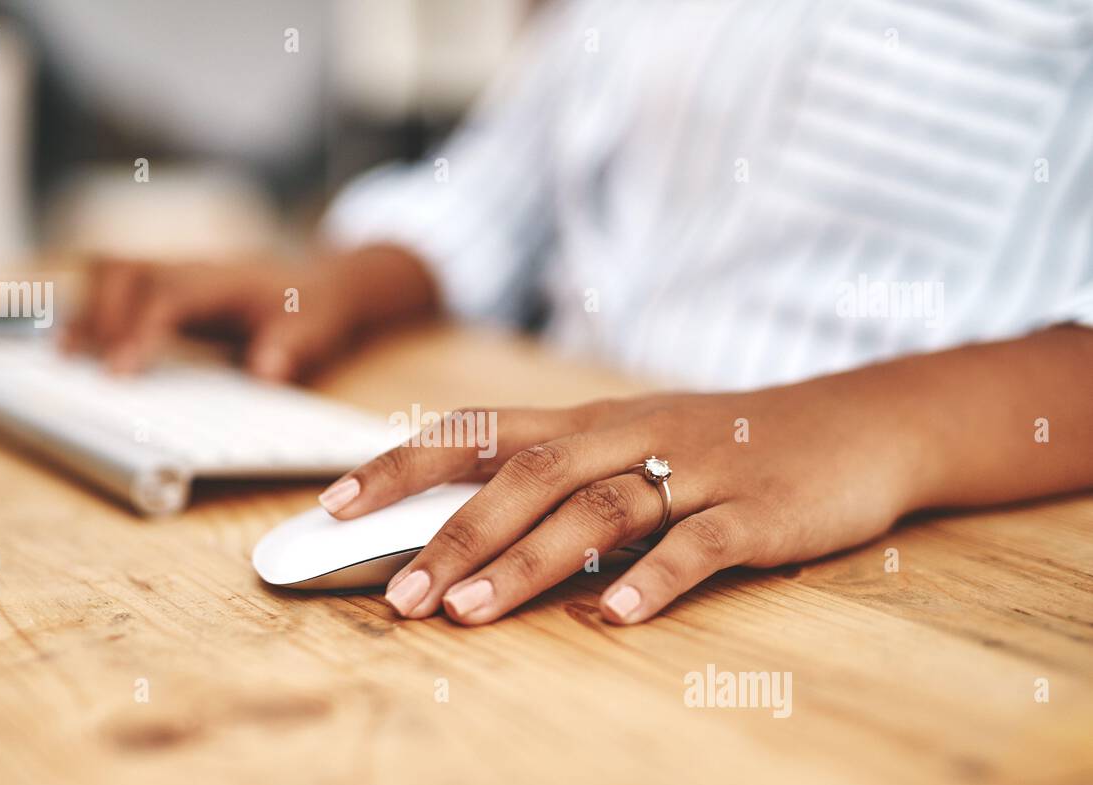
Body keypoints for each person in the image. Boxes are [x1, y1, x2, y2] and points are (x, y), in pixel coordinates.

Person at [65, 0, 1093, 626]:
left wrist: (861, 425)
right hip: (566, 461)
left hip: (948, 549)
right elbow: (496, 189)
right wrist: (339, 279)